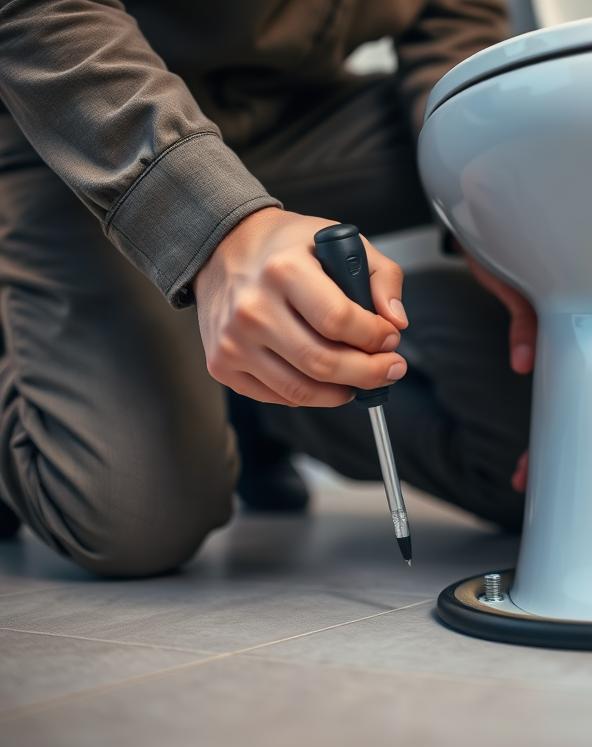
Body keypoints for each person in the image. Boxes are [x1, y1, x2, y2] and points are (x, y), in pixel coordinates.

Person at [0, 0, 536, 575]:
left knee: (544, 476)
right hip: (78, 122)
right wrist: (216, 224)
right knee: (132, 520)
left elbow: (457, 30)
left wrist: (498, 214)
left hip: (299, 120)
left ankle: (263, 392)